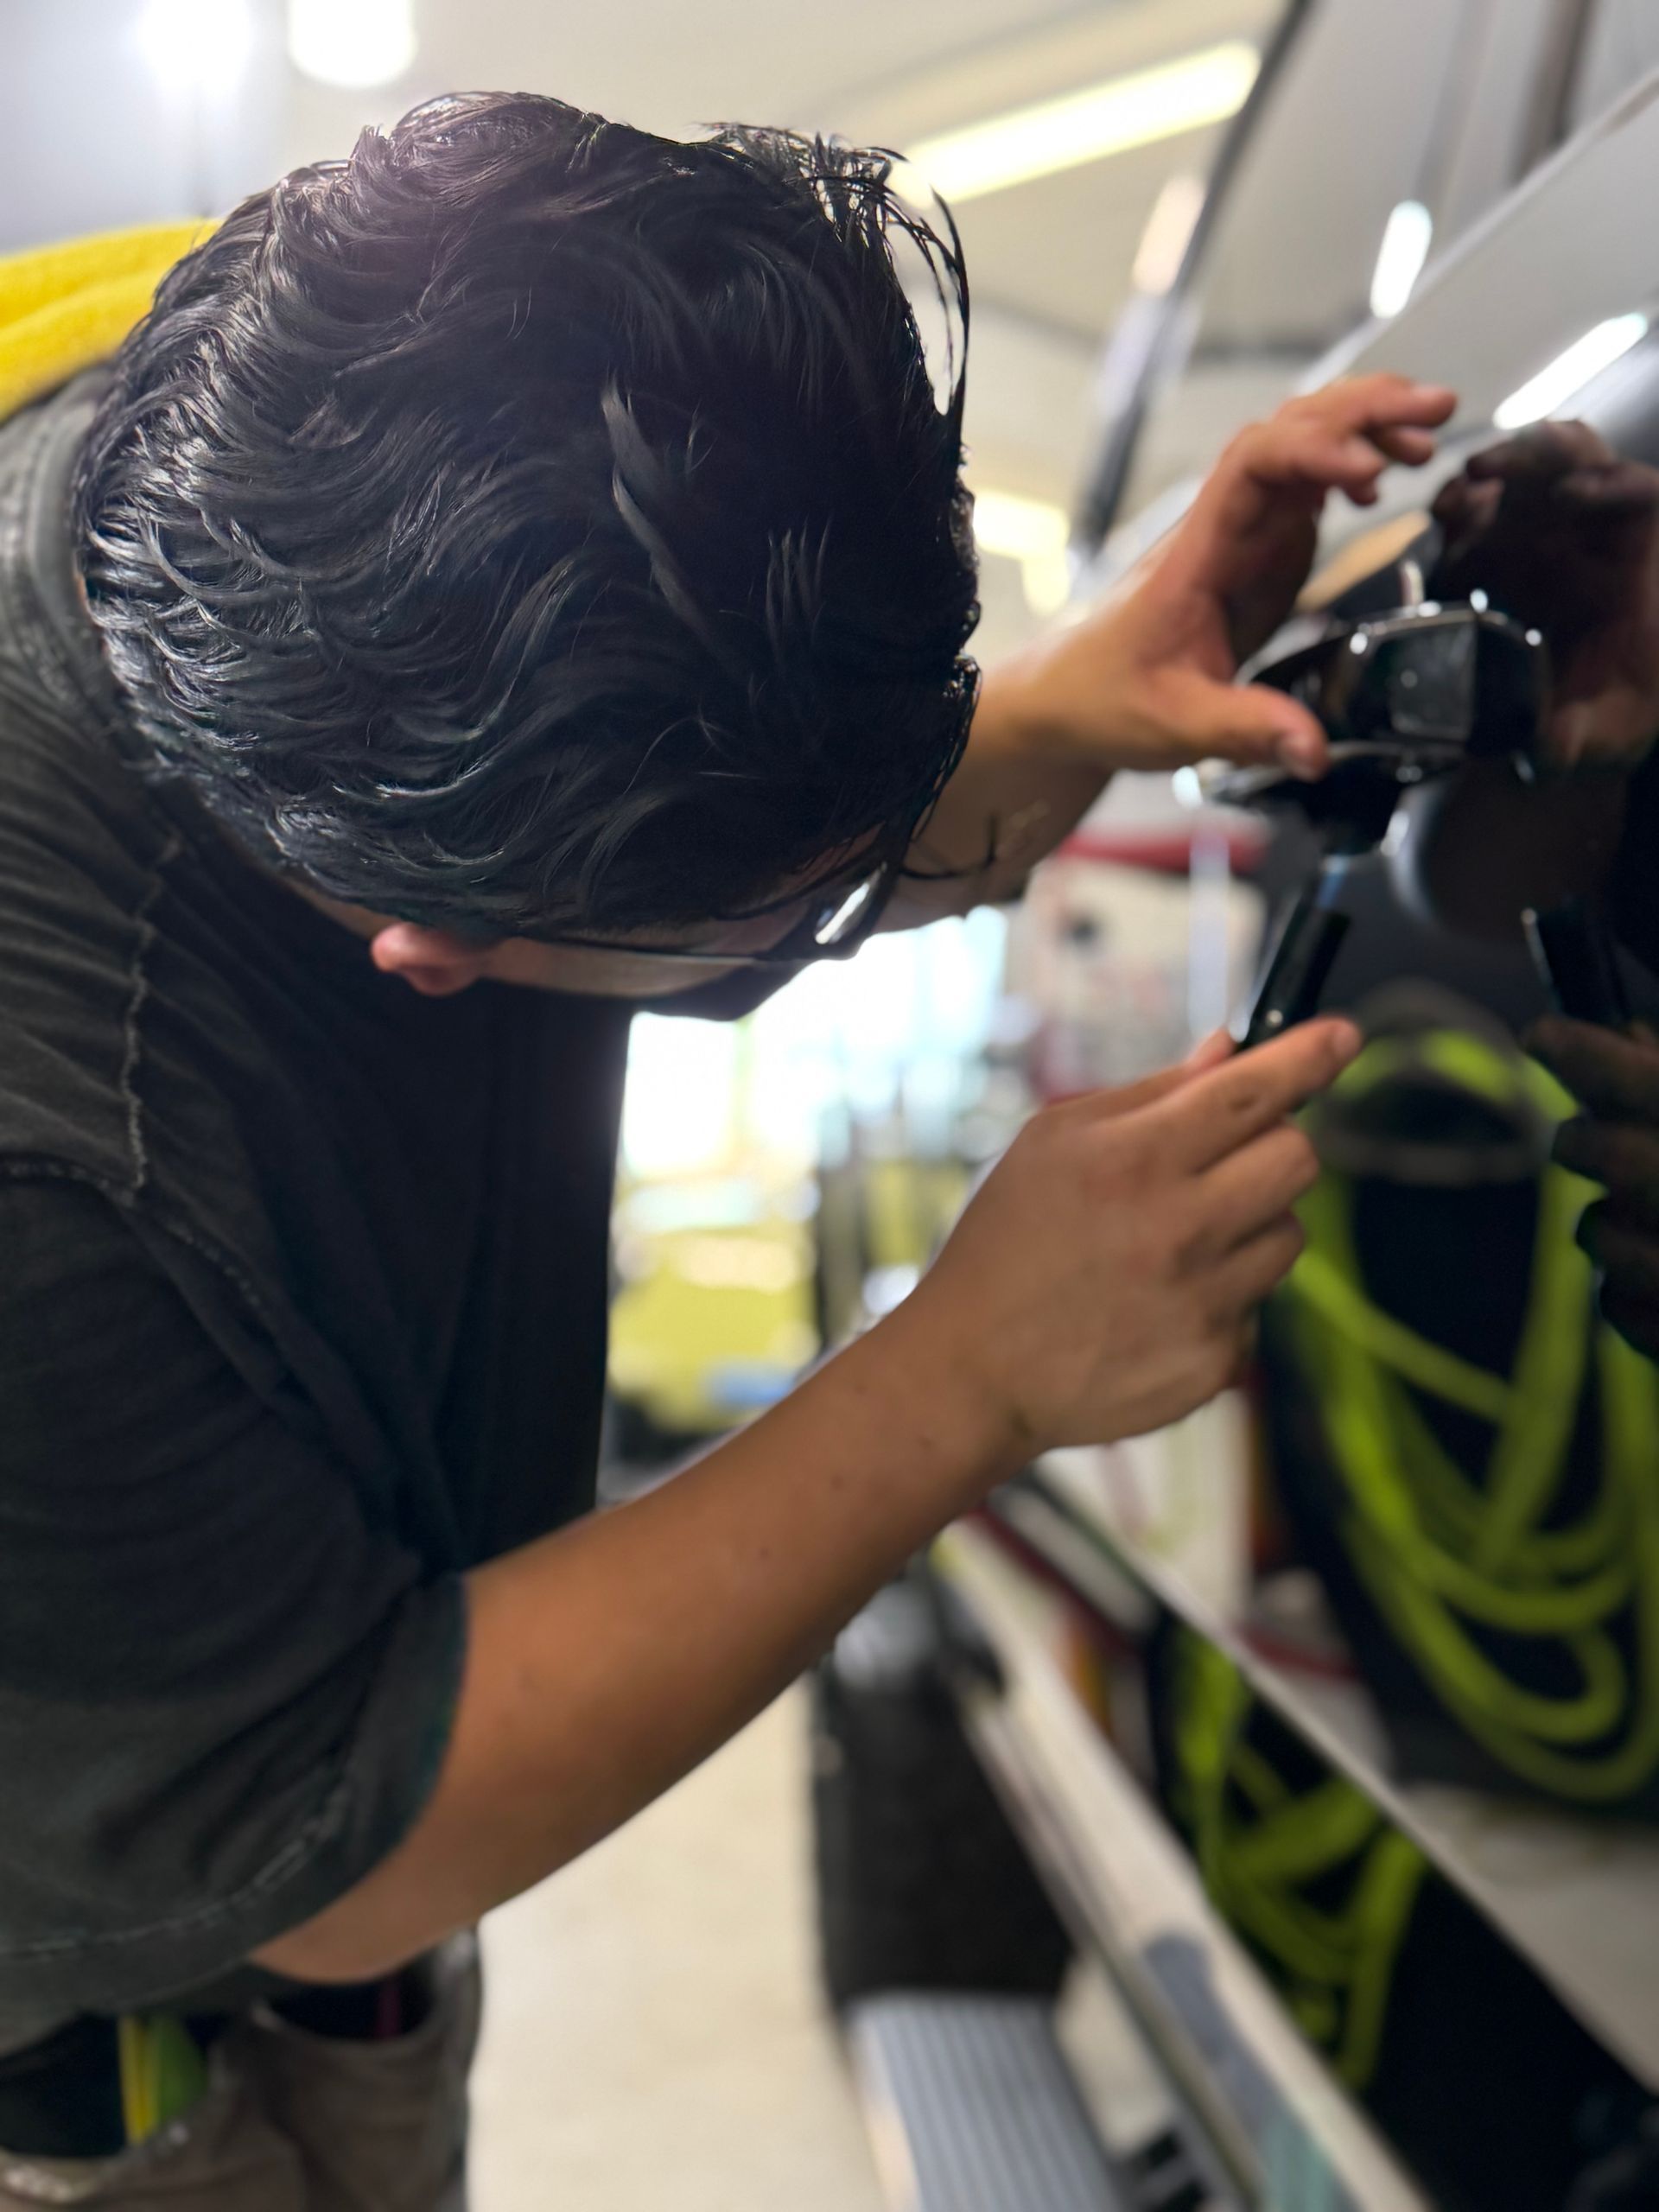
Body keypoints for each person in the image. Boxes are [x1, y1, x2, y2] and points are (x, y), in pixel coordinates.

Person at [0, 90, 1455, 2207]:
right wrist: (961, 1374)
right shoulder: (54, 1167)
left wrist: (1045, 706)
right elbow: (328, 1839)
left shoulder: (310, 372)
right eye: (807, 913)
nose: (883, 901)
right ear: (440, 953)